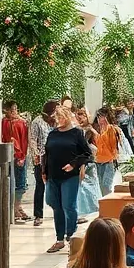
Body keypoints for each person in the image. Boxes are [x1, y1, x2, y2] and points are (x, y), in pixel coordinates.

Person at [43, 104, 93, 253]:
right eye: (57, 117)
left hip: (70, 176)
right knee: (56, 206)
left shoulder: (76, 133)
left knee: (68, 206)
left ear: (67, 117)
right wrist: (44, 171)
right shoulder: (53, 134)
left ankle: (71, 236)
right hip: (53, 175)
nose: (59, 120)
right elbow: (47, 153)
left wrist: (74, 164)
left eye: (61, 117)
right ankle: (59, 239)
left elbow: (87, 153)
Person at [2, 101, 32, 222]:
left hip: (19, 155)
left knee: (20, 183)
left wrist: (22, 156)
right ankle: (14, 208)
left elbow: (24, 140)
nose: (14, 112)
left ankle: (17, 206)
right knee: (11, 182)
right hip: (7, 156)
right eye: (12, 109)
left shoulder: (21, 123)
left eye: (15, 109)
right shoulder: (3, 122)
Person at [29, 101, 57, 228]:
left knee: (57, 185)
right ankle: (38, 215)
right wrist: (35, 154)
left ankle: (59, 211)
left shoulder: (57, 122)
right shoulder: (37, 122)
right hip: (41, 159)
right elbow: (33, 140)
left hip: (55, 158)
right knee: (40, 186)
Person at [74, 108, 102, 223]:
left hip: (91, 161)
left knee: (92, 187)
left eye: (83, 116)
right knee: (81, 188)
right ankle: (79, 212)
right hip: (83, 161)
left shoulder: (92, 129)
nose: (80, 118)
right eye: (79, 116)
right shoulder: (77, 130)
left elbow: (99, 142)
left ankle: (95, 210)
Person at [92, 108, 122, 196]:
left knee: (106, 186)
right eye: (98, 117)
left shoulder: (111, 129)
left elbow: (114, 146)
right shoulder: (97, 129)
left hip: (108, 161)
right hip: (98, 160)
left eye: (100, 116)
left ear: (106, 117)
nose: (99, 119)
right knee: (100, 186)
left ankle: (108, 201)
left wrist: (113, 158)